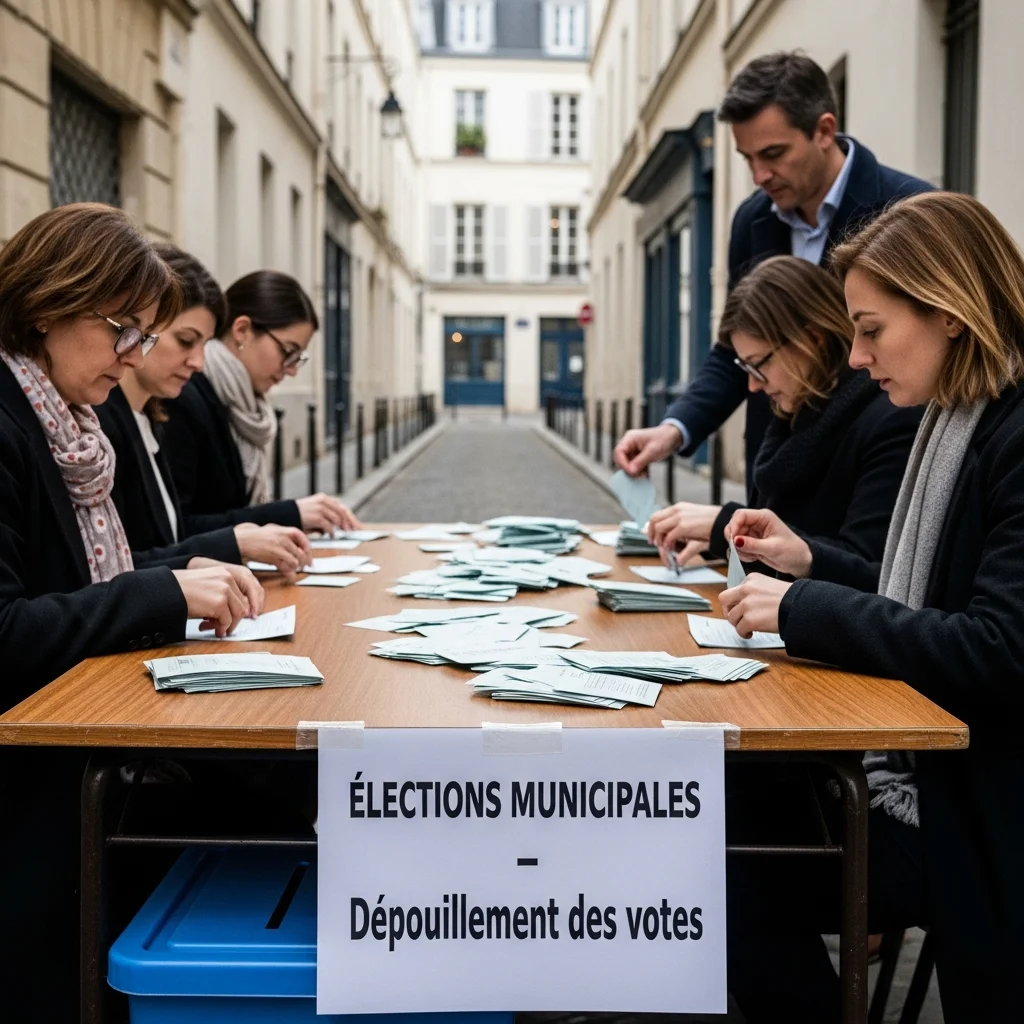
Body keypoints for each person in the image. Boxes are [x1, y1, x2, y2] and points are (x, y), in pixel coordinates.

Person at [719, 192, 1024, 1022]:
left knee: (721, 878)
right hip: (931, 775)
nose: (857, 357)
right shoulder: (959, 422)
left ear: (951, 311)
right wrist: (808, 572)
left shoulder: (1002, 435)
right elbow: (914, 599)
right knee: (723, 811)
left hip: (970, 807)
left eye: (871, 329)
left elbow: (996, 649)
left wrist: (804, 607)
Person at [0, 203, 264, 1021]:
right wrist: (167, 587)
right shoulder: (13, 424)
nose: (133, 354)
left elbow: (83, 578)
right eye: (123, 328)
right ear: (48, 304)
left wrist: (187, 571)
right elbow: (9, 631)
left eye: (145, 335)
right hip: (28, 792)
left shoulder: (66, 421)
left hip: (72, 753)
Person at [613, 51, 933, 494]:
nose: (760, 175)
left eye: (773, 154)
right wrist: (675, 429)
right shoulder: (752, 220)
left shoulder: (908, 210)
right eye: (747, 159)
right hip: (775, 470)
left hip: (868, 477)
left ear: (824, 130)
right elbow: (738, 350)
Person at [646, 256, 920, 583]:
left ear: (812, 340)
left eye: (757, 364)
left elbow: (869, 572)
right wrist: (720, 540)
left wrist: (723, 525)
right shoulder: (801, 411)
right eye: (745, 369)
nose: (753, 385)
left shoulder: (890, 420)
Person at [97, 245, 312, 573]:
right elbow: (111, 571)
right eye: (185, 340)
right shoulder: (109, 418)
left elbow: (164, 538)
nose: (199, 362)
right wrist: (234, 542)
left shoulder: (149, 414)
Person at [161, 269, 359, 535]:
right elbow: (179, 528)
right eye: (288, 352)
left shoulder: (242, 404)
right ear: (242, 330)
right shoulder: (183, 394)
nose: (291, 370)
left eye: (298, 358)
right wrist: (287, 515)